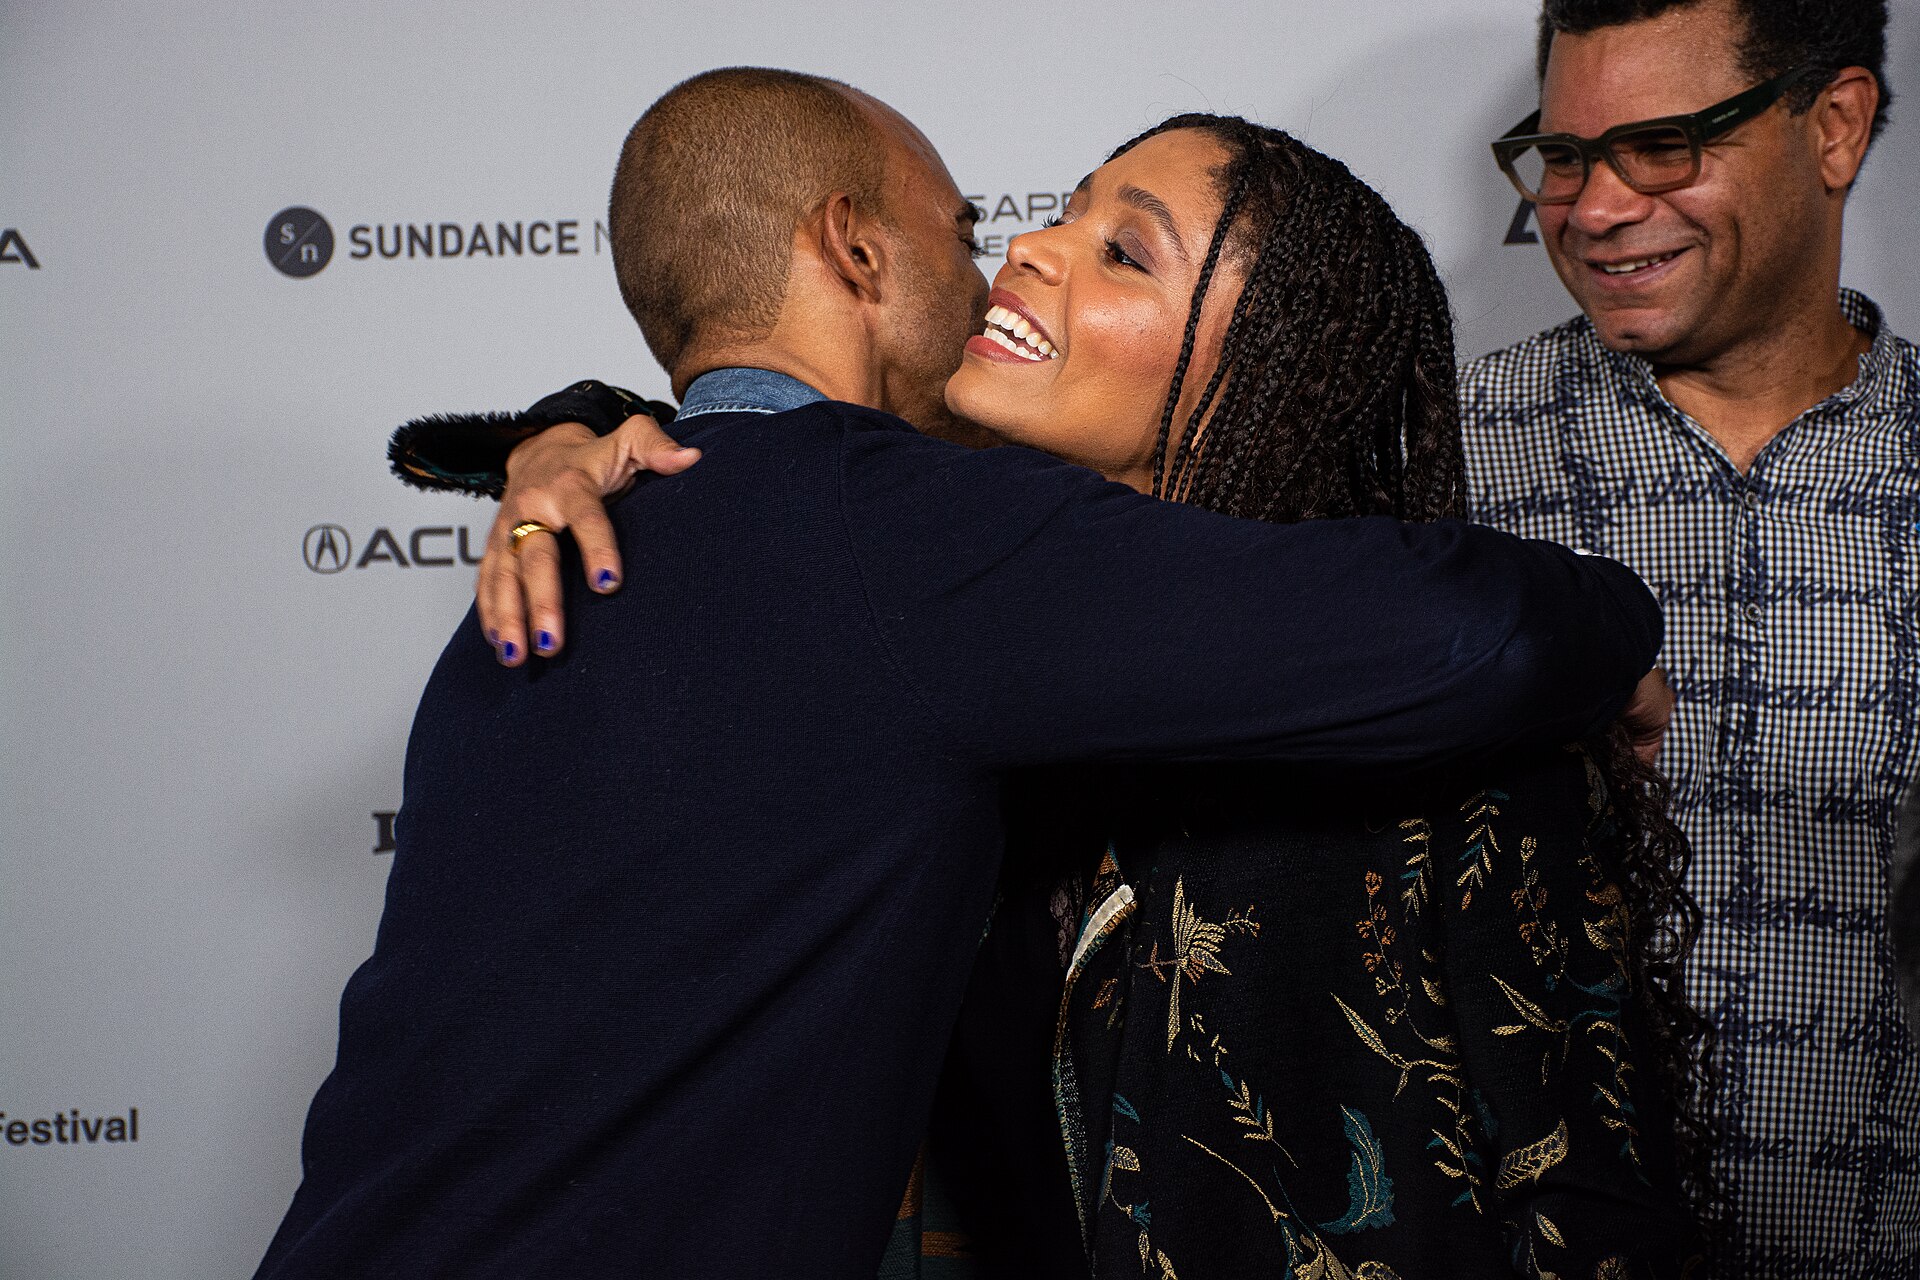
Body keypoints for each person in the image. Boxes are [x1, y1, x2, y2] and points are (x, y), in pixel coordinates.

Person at [258, 70, 1665, 1279]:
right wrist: (1613, 632)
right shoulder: (909, 554)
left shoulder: (633, 542)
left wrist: (564, 431)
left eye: (1122, 250)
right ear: (853, 248)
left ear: (1269, 361)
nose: (1019, 257)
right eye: (981, 229)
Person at [1467, 1, 1920, 1273]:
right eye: (1566, 156)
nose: (1598, 208)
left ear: (1834, 128)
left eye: (1663, 145)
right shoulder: (1436, 461)